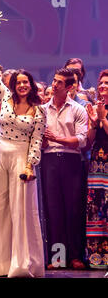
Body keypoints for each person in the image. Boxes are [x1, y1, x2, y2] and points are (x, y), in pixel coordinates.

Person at [0, 29, 46, 278]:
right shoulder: (4, 97)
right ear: (13, 85)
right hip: (0, 155)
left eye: (26, 82)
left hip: (21, 160)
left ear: (31, 85)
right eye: (19, 82)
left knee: (21, 211)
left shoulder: (38, 111)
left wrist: (29, 165)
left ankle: (21, 264)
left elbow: (36, 141)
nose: (22, 85)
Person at [41, 68, 88, 270]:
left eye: (59, 82)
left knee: (73, 209)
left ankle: (76, 256)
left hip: (71, 162)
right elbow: (40, 141)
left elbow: (82, 140)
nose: (54, 84)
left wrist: (57, 138)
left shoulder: (78, 109)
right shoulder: (42, 109)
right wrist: (44, 140)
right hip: (49, 160)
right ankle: (58, 257)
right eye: (54, 81)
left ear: (69, 87)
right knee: (54, 210)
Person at [84, 70, 108, 269]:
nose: (102, 87)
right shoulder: (96, 108)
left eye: (107, 84)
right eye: (101, 84)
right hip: (97, 165)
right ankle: (97, 259)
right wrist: (93, 122)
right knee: (96, 208)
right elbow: (89, 141)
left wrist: (104, 119)